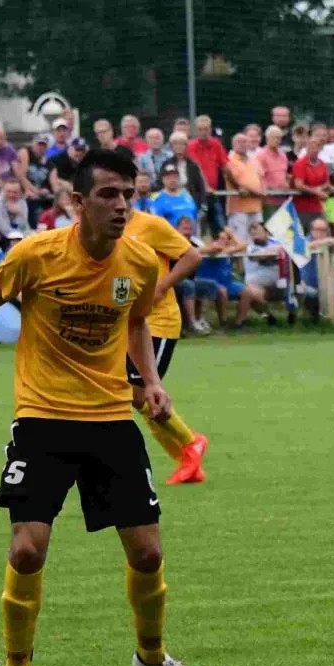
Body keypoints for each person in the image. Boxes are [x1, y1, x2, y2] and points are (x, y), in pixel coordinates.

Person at [0, 148, 211, 666]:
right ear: (78, 201)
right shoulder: (36, 254)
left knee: (148, 554)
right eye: (108, 194)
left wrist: (150, 380)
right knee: (27, 551)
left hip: (111, 418)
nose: (121, 205)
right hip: (42, 418)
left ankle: (152, 658)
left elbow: (137, 320)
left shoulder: (140, 261)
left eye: (128, 195)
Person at [123, 192, 210, 483]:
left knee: (138, 393)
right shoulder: (107, 230)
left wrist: (161, 287)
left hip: (158, 321)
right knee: (135, 396)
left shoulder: (151, 225)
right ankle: (188, 457)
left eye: (125, 193)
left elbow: (192, 256)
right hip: (130, 322)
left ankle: (191, 443)